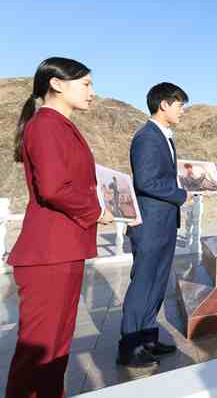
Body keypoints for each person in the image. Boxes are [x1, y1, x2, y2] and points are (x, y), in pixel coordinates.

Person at [7, 57, 114, 397]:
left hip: (63, 250)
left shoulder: (59, 125)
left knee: (55, 348)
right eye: (86, 84)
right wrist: (96, 211)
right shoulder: (45, 125)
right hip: (48, 254)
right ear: (56, 83)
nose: (92, 92)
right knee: (38, 352)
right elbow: (53, 188)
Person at [119, 82, 189, 368]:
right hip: (149, 224)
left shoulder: (165, 137)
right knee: (143, 284)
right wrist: (182, 194)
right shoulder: (147, 137)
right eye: (180, 105)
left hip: (164, 223)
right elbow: (146, 181)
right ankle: (129, 348)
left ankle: (148, 338)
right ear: (164, 104)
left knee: (158, 282)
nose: (182, 111)